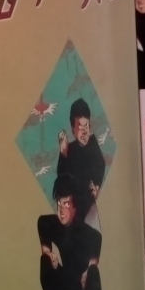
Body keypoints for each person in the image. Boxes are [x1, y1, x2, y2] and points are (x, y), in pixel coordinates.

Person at [56, 98, 105, 230]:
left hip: (89, 206)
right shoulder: (69, 150)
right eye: (80, 126)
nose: (84, 131)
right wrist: (63, 153)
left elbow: (100, 165)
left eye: (86, 126)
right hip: (73, 209)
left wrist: (97, 186)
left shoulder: (93, 145)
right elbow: (61, 178)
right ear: (73, 129)